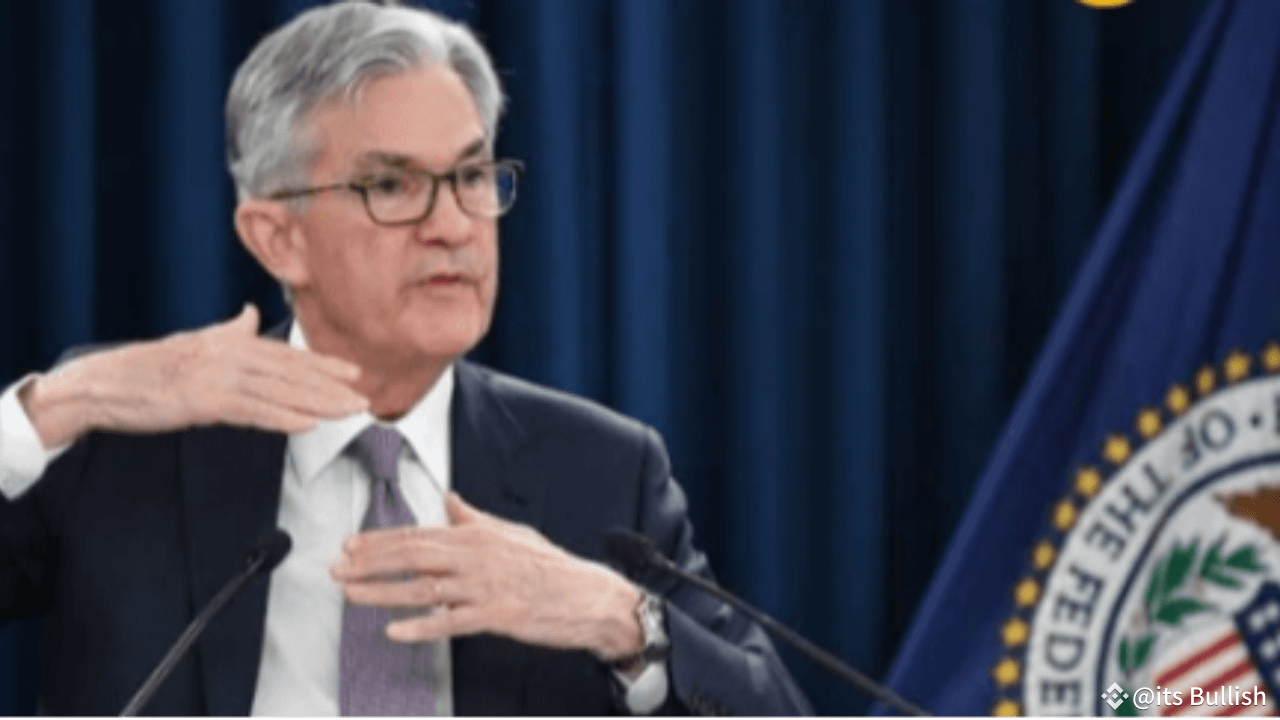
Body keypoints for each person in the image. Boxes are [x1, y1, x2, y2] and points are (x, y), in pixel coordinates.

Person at [0, 1, 813, 717]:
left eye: (471, 175)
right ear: (278, 238)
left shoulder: (602, 470)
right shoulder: (122, 437)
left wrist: (618, 621)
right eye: (392, 187)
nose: (453, 225)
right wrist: (54, 408)